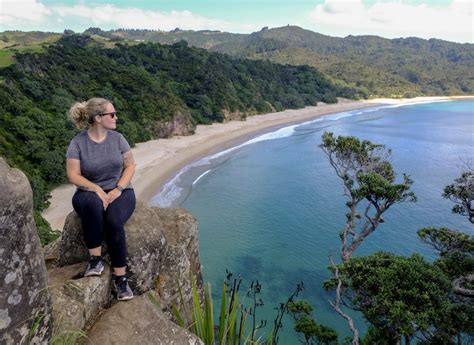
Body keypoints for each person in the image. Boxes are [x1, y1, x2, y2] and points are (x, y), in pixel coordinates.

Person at [66, 97, 136, 301]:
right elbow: (73, 175)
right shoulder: (78, 142)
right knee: (92, 205)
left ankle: (121, 279)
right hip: (88, 192)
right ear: (98, 118)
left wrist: (118, 189)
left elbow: (130, 166)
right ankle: (95, 259)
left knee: (114, 221)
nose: (116, 117)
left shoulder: (118, 139)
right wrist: (96, 189)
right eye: (112, 114)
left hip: (121, 190)